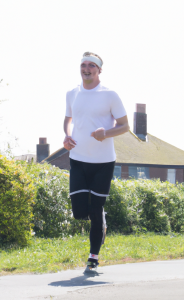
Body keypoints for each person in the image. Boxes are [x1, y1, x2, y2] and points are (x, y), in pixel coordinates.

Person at [63, 52, 129, 272]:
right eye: (83, 64)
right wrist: (66, 135)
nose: (87, 68)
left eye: (92, 65)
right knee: (80, 212)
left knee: (96, 209)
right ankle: (100, 217)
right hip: (78, 159)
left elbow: (124, 126)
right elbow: (68, 119)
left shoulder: (110, 95)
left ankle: (93, 256)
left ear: (100, 70)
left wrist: (106, 133)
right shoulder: (72, 94)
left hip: (103, 162)